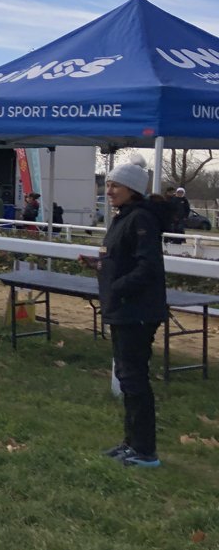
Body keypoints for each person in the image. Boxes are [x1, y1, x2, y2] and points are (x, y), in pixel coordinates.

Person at [78, 155, 167, 468]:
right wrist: (99, 266)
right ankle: (131, 443)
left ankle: (145, 451)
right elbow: (121, 260)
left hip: (136, 311)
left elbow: (148, 267)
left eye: (116, 184)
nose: (110, 188)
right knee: (127, 378)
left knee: (134, 379)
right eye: (109, 183)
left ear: (133, 189)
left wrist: (117, 287)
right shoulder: (123, 216)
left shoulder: (141, 219)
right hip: (123, 308)